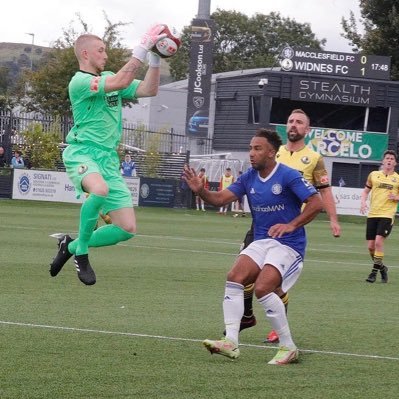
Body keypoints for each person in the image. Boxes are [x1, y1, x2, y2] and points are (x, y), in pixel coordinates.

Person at [184, 128, 323, 364]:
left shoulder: (288, 175)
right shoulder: (249, 177)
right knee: (234, 276)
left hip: (289, 245)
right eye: (250, 148)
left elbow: (316, 202)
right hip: (262, 242)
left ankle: (288, 347)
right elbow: (219, 199)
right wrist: (201, 191)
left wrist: (291, 225)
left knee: (263, 288)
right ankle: (231, 341)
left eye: (257, 148)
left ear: (271, 152)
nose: (251, 153)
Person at [49, 25, 167, 285]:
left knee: (127, 229)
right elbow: (121, 81)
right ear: (85, 53)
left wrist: (156, 57)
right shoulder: (79, 82)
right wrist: (142, 48)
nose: (105, 55)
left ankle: (69, 246)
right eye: (100, 50)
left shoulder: (112, 79)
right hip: (83, 153)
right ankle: (81, 253)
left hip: (108, 159)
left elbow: (150, 89)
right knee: (99, 190)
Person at [237, 109, 342, 344]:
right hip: (260, 224)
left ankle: (279, 327)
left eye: (299, 122)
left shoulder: (314, 159)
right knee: (242, 275)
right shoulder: (271, 151)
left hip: (287, 229)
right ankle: (246, 315)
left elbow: (324, 192)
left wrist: (333, 219)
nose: (293, 125)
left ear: (307, 129)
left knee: (272, 283)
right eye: (290, 121)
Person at [360, 150, 399, 283]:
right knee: (371, 247)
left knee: (378, 242)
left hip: (387, 214)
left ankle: (373, 273)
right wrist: (362, 202)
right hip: (373, 214)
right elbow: (365, 191)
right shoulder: (373, 175)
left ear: (395, 163)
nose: (389, 160)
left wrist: (396, 197)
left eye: (392, 159)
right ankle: (382, 268)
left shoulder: (397, 178)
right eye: (387, 158)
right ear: (383, 161)